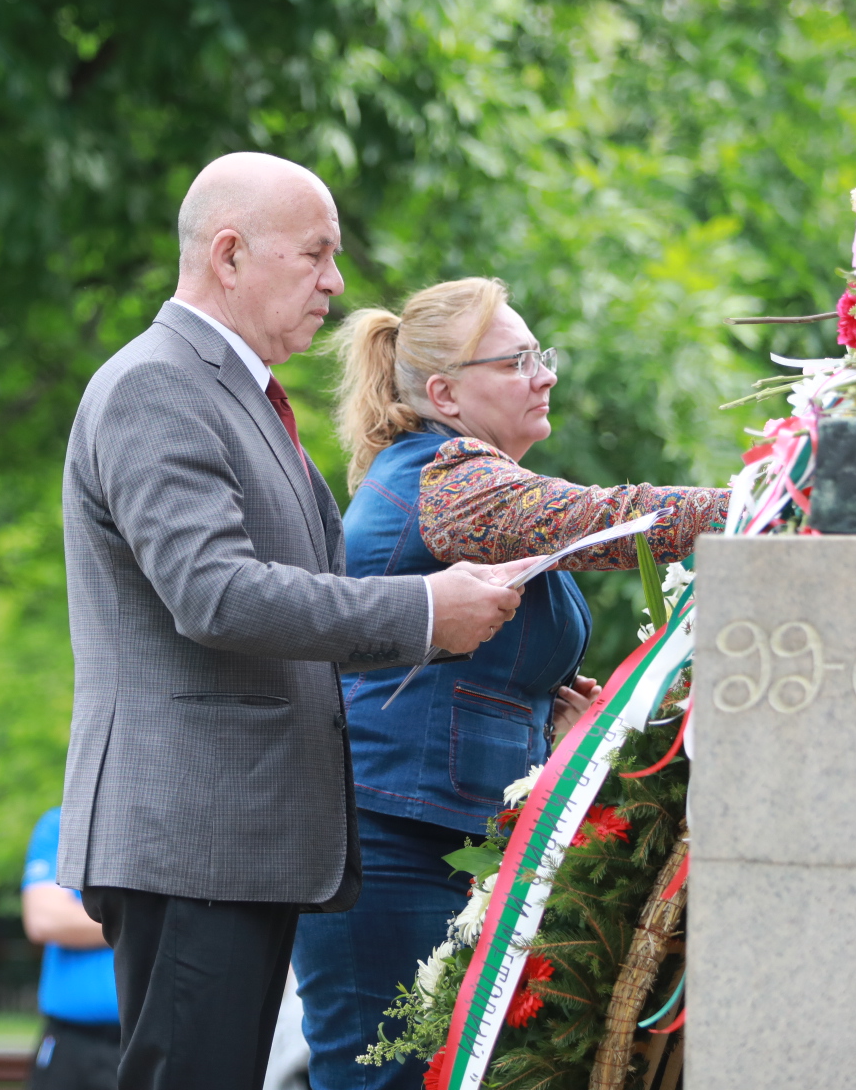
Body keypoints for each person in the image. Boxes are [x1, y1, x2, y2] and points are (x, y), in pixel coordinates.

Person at [58, 153, 530, 1090]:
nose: (336, 283)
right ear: (229, 255)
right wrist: (425, 610)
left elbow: (296, 606)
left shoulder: (236, 394)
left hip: (239, 840)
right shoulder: (159, 385)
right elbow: (217, 595)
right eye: (315, 254)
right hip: (196, 839)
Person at [292, 277, 730, 1090]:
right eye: (519, 360)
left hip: (446, 835)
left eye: (543, 356)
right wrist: (764, 509)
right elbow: (613, 519)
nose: (546, 374)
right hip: (389, 841)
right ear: (446, 393)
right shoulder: (451, 477)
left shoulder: (467, 479)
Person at [22, 806, 119, 1090]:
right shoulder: (64, 821)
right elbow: (44, 921)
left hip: (147, 1040)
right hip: (68, 1041)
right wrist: (146, 923)